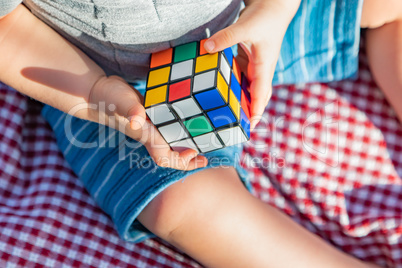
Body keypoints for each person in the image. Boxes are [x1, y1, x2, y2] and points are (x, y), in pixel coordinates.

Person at [0, 0, 397, 266]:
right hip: (106, 87)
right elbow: (7, 27)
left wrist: (275, 10)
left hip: (251, 21)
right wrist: (95, 93)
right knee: (179, 204)